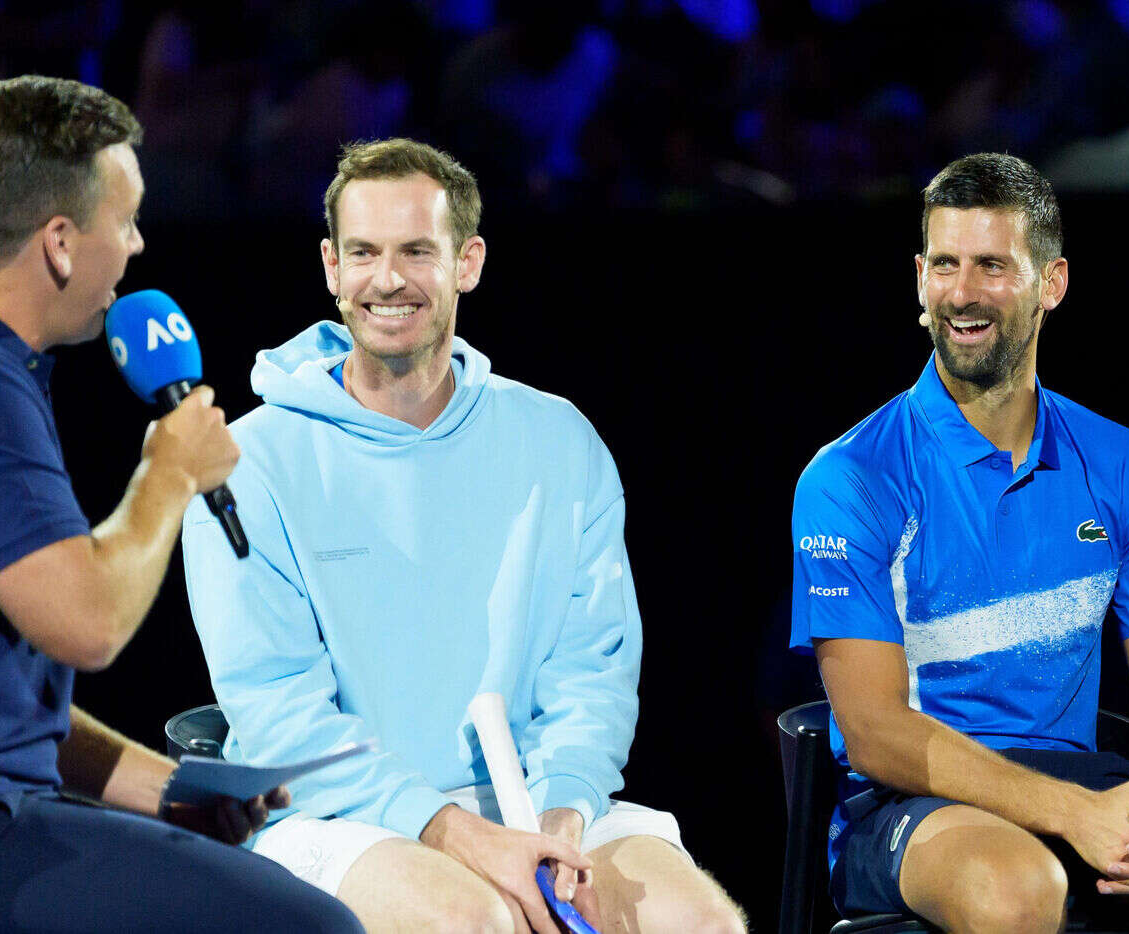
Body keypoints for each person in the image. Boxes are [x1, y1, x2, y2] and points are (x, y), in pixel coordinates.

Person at [181, 137, 747, 933]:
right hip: (332, 815)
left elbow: (593, 675)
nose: (388, 279)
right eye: (364, 253)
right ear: (331, 267)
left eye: (417, 251)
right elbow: (281, 718)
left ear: (468, 262)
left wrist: (558, 818)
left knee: (702, 924)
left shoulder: (559, 441)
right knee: (473, 923)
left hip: (537, 804)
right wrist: (462, 837)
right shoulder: (247, 462)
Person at [0, 76, 363, 933]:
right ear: (60, 243)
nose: (138, 246)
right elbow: (89, 625)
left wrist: (166, 790)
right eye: (127, 219)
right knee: (315, 928)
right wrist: (168, 475)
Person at [791, 152, 1129, 930]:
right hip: (916, 809)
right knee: (1016, 885)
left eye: (991, 266)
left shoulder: (1128, 465)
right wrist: (1076, 814)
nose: (962, 293)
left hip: (1086, 789)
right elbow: (878, 734)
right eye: (944, 265)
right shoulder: (849, 478)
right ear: (919, 279)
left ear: (1051, 284)